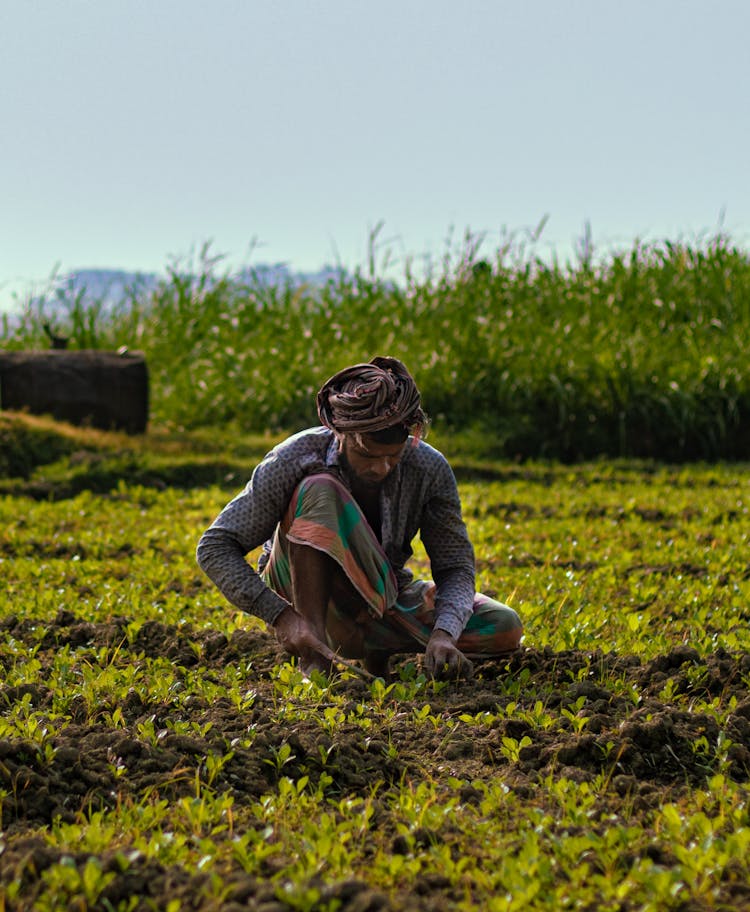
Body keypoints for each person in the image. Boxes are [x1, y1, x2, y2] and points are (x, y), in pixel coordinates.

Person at [196, 356, 522, 679]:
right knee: (320, 488)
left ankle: (376, 646)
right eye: (367, 455)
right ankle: (314, 654)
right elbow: (215, 546)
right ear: (341, 434)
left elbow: (455, 567)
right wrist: (282, 618)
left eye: (393, 457)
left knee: (504, 625)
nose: (381, 468)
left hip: (381, 601)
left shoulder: (429, 468)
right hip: (299, 596)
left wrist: (443, 635)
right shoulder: (295, 457)